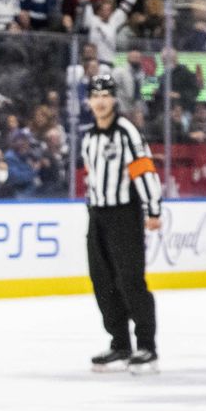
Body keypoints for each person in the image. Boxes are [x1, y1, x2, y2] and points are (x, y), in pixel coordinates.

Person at [79, 75, 162, 371]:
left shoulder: (127, 132)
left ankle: (146, 345)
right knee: (102, 280)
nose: (100, 101)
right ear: (89, 101)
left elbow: (144, 170)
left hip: (124, 214)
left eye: (105, 95)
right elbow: (92, 177)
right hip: (97, 215)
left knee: (130, 280)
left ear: (114, 99)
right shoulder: (88, 137)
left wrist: (153, 209)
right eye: (95, 95)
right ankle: (120, 343)